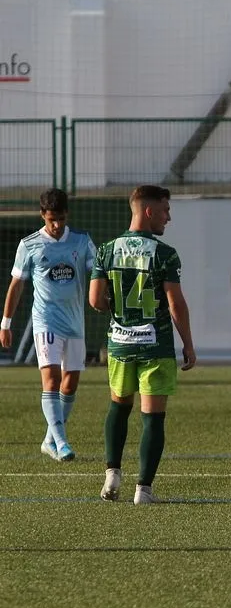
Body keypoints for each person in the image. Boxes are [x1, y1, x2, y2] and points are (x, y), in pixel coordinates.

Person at [89, 185, 196, 505]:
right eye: (165, 210)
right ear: (148, 211)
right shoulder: (164, 253)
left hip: (120, 345)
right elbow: (176, 304)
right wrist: (188, 344)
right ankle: (143, 490)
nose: (169, 217)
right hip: (155, 346)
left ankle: (112, 474)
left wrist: (119, 310)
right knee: (153, 417)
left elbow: (95, 300)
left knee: (119, 406)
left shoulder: (107, 250)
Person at [1, 189, 96, 462]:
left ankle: (49, 439)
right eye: (52, 219)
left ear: (68, 215)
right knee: (51, 379)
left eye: (61, 219)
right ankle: (62, 441)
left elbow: (98, 272)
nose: (56, 225)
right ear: (43, 215)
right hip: (46, 322)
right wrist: (5, 323)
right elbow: (16, 285)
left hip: (75, 322)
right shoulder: (29, 245)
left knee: (70, 384)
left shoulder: (81, 241)